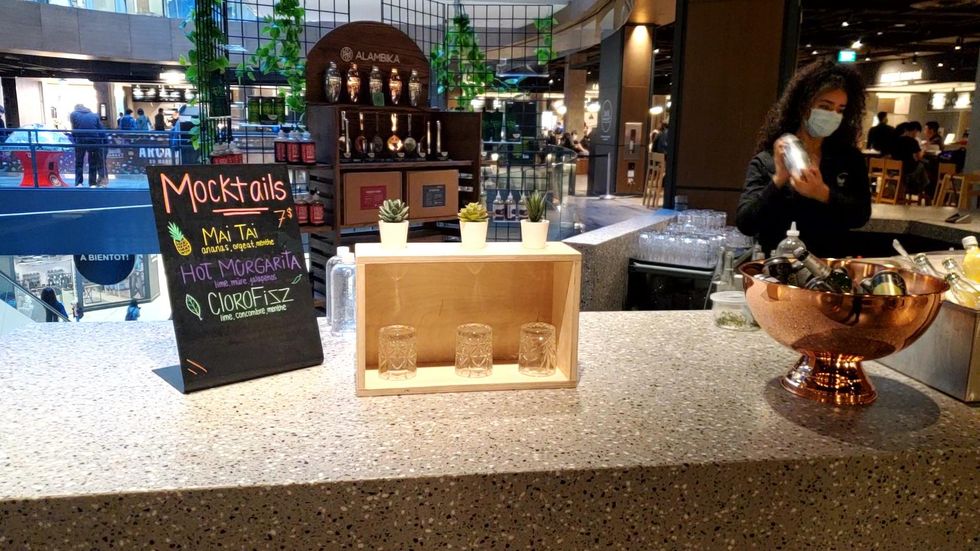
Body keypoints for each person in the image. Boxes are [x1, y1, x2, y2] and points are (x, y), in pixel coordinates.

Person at [736, 61, 871, 258]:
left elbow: (860, 216)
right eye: (825, 106)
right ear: (803, 106)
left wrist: (823, 193)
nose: (833, 115)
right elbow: (746, 223)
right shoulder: (767, 160)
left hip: (828, 266)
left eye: (840, 110)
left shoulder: (849, 160)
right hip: (777, 267)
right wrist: (779, 180)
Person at [69, 103, 104, 187]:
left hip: (80, 140)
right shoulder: (95, 115)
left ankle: (79, 183)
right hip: (93, 140)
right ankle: (92, 183)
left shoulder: (73, 114)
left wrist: (74, 139)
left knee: (79, 162)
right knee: (93, 162)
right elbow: (100, 129)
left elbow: (74, 128)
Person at [893, 122, 928, 200]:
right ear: (914, 130)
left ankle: (918, 188)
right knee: (922, 165)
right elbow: (919, 157)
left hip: (894, 169)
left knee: (921, 167)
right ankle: (923, 190)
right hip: (908, 170)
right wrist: (923, 151)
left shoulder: (894, 140)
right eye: (917, 132)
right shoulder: (913, 141)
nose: (916, 134)